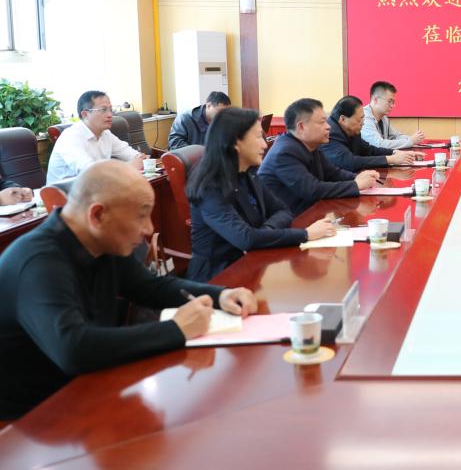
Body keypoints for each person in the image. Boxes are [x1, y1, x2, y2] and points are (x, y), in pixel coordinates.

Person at [0, 160, 258, 419]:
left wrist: (221, 295)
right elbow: (72, 349)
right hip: (32, 416)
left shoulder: (100, 239)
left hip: (87, 384)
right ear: (97, 215)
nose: (149, 229)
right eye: (141, 215)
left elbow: (151, 287)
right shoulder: (38, 262)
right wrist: (177, 329)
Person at [187, 107, 336, 282]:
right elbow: (246, 238)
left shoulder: (248, 173)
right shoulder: (210, 187)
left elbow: (283, 211)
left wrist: (264, 231)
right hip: (218, 278)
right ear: (235, 142)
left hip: (252, 264)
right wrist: (306, 234)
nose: (265, 145)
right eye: (258, 137)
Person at [260, 98, 378, 215]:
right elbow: (312, 190)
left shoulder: (311, 145)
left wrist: (358, 177)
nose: (328, 126)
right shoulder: (284, 152)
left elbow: (333, 173)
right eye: (322, 122)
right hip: (285, 220)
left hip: (308, 214)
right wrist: (356, 185)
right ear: (301, 127)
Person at [47, 90, 145, 183]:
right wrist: (127, 167)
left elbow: (130, 153)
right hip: (65, 193)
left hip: (94, 188)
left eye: (110, 109)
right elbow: (90, 172)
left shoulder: (105, 133)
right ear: (85, 114)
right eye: (103, 110)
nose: (110, 114)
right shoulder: (71, 137)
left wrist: (139, 159)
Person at [323, 95, 424, 172]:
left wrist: (396, 153)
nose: (363, 123)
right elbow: (349, 162)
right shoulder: (330, 133)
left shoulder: (351, 129)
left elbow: (369, 150)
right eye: (360, 119)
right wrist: (390, 159)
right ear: (343, 119)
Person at [361, 81, 425, 150]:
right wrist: (410, 141)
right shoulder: (363, 117)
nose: (392, 106)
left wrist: (413, 138)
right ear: (376, 100)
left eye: (393, 102)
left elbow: (395, 136)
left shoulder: (383, 118)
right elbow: (378, 144)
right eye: (389, 101)